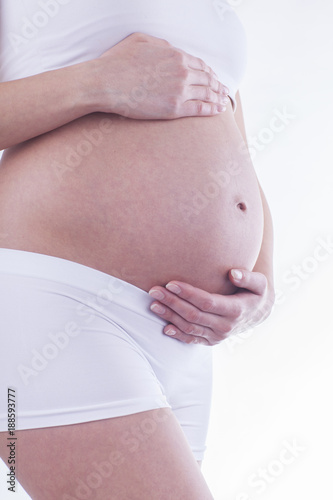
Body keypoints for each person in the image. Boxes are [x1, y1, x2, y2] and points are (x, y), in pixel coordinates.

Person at [0, 1, 274, 498]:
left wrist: (262, 280)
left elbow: (235, 145)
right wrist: (96, 83)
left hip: (185, 336)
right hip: (55, 301)